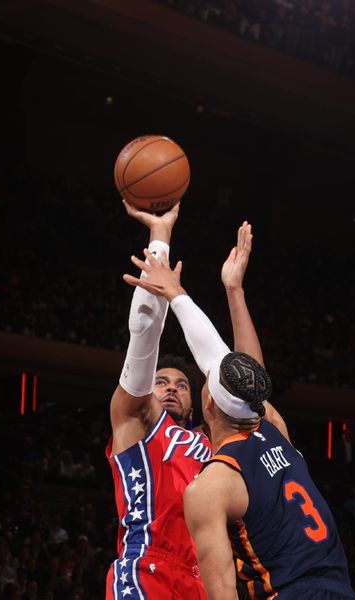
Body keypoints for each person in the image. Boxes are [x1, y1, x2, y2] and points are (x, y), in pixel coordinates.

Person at [124, 228, 355, 600]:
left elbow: (222, 594)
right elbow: (251, 377)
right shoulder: (273, 429)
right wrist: (233, 290)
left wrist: (178, 296)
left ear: (210, 404)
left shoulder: (211, 487)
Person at [105, 200, 210, 599]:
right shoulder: (136, 422)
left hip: (208, 580)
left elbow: (248, 383)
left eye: (182, 385)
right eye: (161, 381)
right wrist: (160, 237)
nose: (171, 388)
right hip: (148, 567)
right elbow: (144, 334)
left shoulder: (215, 443)